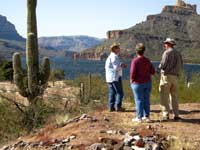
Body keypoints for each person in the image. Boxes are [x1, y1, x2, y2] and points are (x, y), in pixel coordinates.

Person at [159, 38, 183, 121]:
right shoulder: (178, 53)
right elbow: (180, 65)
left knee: (164, 96)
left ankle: (165, 115)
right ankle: (176, 115)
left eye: (165, 43)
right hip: (175, 77)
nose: (164, 45)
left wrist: (159, 68)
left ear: (168, 44)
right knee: (174, 96)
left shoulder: (167, 53)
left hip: (166, 76)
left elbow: (163, 64)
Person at [130, 43, 155, 122]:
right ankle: (147, 116)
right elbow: (153, 71)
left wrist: (132, 80)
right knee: (146, 99)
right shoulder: (147, 60)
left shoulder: (135, 61)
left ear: (136, 51)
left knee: (138, 100)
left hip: (137, 83)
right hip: (147, 82)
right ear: (144, 51)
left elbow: (132, 72)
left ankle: (139, 117)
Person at [105, 42, 127, 112]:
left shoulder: (110, 57)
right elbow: (116, 68)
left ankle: (111, 107)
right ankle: (118, 107)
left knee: (112, 92)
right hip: (115, 77)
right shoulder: (114, 56)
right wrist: (122, 65)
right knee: (120, 92)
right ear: (114, 49)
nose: (119, 49)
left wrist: (120, 64)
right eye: (118, 48)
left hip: (109, 78)